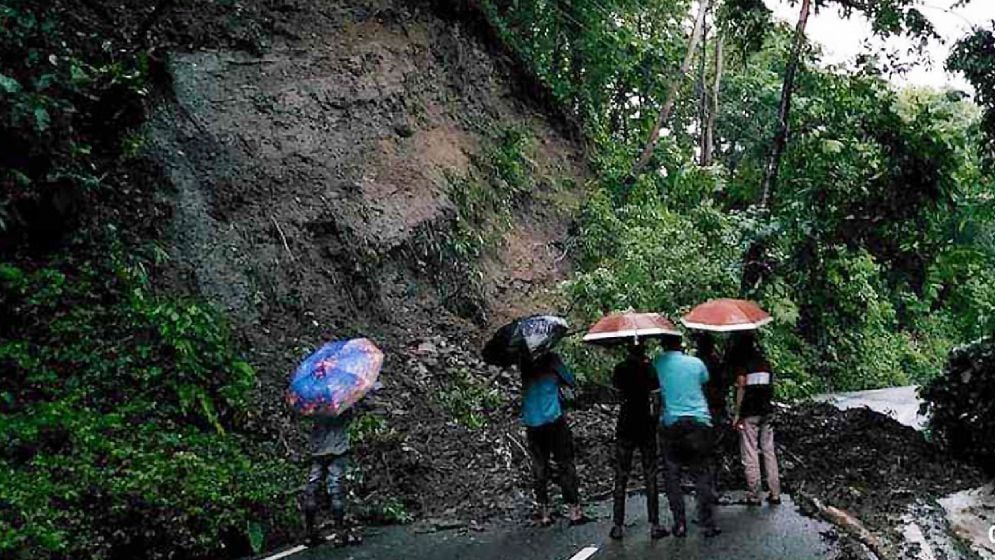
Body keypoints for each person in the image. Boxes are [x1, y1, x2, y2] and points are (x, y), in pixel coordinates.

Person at [653, 335, 721, 538]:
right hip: (699, 422)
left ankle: (680, 523)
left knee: (672, 475)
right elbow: (705, 382)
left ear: (663, 345)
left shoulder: (657, 363)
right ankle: (708, 523)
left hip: (672, 423)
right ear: (681, 345)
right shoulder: (696, 363)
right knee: (701, 473)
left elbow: (655, 390)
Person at [609, 342, 668, 540]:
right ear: (643, 351)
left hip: (625, 424)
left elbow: (616, 393)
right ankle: (655, 524)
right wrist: (655, 418)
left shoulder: (620, 369)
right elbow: (656, 398)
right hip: (646, 425)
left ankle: (617, 524)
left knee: (621, 474)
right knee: (650, 473)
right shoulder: (649, 369)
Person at [520, 351, 584, 526]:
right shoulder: (551, 358)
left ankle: (544, 512)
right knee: (565, 463)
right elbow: (570, 380)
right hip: (553, 419)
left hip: (532, 421)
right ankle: (574, 510)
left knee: (539, 466)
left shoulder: (524, 360)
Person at [729, 332, 781, 506]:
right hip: (767, 410)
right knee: (769, 451)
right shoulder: (764, 362)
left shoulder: (743, 364)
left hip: (750, 413)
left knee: (750, 452)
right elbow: (771, 386)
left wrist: (737, 413)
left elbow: (742, 387)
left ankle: (754, 494)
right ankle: (775, 493)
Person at [300, 410, 361, 547]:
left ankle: (309, 534)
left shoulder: (314, 405)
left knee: (312, 487)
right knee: (336, 490)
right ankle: (339, 534)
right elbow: (349, 418)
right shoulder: (341, 404)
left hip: (318, 451)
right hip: (338, 450)